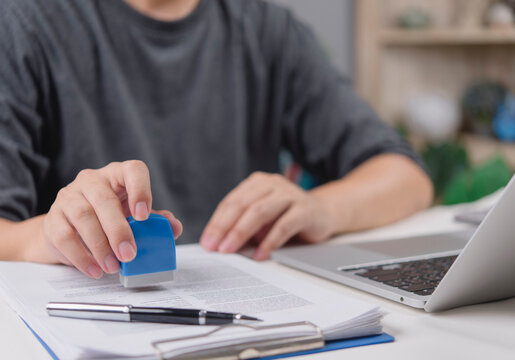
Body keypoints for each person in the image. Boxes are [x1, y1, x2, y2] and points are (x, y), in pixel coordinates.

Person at [0, 0, 433, 279]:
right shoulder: (23, 25)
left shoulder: (267, 28)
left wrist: (322, 207)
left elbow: (405, 176)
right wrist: (43, 238)